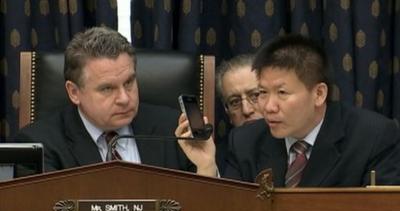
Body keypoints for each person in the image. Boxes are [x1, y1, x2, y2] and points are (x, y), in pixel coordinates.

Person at [177, 34, 400, 187]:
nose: (268, 107)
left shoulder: (375, 137)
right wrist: (206, 166)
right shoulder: (245, 140)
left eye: (282, 93)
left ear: (319, 94)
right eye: (262, 92)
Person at [14, 27, 217, 177]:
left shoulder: (175, 130)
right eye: (107, 88)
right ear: (74, 92)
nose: (124, 98)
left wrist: (206, 167)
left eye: (129, 82)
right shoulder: (39, 145)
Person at [215, 54, 264, 171]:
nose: (246, 110)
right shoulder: (218, 161)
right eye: (235, 102)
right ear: (227, 111)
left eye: (255, 96)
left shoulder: (295, 147)